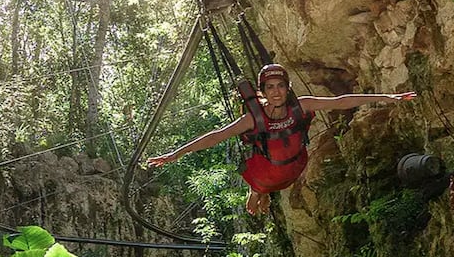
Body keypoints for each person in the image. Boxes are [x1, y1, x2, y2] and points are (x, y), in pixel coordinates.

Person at [147, 63, 416, 216]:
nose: (276, 92)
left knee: (274, 181)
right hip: (264, 173)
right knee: (262, 185)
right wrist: (175, 154)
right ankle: (258, 194)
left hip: (294, 166)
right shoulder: (254, 118)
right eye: (270, 88)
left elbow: (342, 101)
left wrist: (386, 97)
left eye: (280, 86)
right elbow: (215, 136)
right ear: (262, 91)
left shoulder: (302, 104)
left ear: (287, 88)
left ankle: (261, 195)